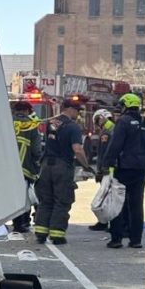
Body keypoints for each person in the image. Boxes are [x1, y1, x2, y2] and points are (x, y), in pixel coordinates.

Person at [34, 99, 94, 245]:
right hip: (62, 166)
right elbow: (77, 150)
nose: (78, 114)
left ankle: (41, 232)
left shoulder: (51, 123)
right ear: (70, 109)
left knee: (46, 199)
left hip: (46, 165)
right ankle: (57, 235)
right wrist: (86, 165)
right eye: (77, 111)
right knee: (62, 200)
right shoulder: (73, 127)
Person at [103, 93, 145, 249]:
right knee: (136, 205)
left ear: (125, 106)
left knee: (118, 203)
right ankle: (136, 240)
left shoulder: (123, 122)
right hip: (141, 169)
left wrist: (107, 163)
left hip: (124, 168)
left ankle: (116, 239)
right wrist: (142, 158)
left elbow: (115, 145)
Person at [11, 101, 42, 233]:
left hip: (7, 166)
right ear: (26, 111)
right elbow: (36, 149)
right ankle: (22, 223)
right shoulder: (31, 125)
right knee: (24, 196)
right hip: (25, 166)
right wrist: (37, 162)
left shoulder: (7, 122)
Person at [87, 108, 115, 232]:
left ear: (102, 118)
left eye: (97, 120)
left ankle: (107, 223)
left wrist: (101, 170)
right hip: (109, 169)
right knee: (107, 197)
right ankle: (105, 222)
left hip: (108, 171)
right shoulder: (111, 128)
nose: (97, 124)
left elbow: (104, 153)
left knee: (107, 198)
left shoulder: (107, 132)